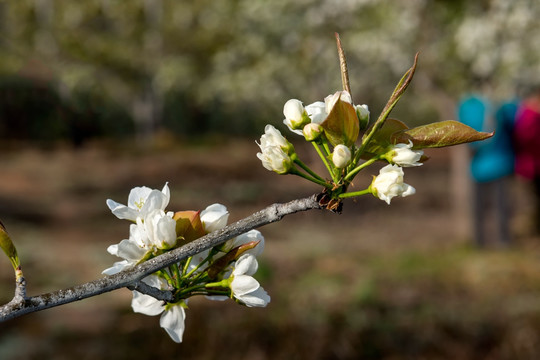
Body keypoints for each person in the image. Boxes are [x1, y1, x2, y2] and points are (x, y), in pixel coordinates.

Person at [458, 94, 517, 247]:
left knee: (483, 207)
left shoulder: (467, 104)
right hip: (497, 164)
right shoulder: (500, 104)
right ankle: (502, 240)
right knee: (500, 206)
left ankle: (480, 242)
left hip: (484, 165)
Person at [513, 86, 540, 235]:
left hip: (533, 164)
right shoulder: (529, 115)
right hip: (531, 166)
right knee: (532, 202)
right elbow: (526, 138)